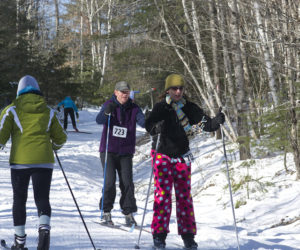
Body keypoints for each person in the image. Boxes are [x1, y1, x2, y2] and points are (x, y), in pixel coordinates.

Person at [145, 74, 225, 249]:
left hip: (182, 155)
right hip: (162, 155)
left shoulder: (189, 107)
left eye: (181, 88)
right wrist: (155, 128)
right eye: (174, 88)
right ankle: (159, 235)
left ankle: (188, 236)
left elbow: (207, 125)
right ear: (168, 90)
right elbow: (149, 125)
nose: (178, 91)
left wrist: (216, 122)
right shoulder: (160, 107)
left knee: (184, 198)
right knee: (163, 196)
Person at [0, 75, 67, 250]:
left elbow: (0, 137)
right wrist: (54, 146)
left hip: (20, 161)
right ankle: (44, 234)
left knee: (19, 199)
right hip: (44, 161)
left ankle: (19, 242)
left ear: (19, 91)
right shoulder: (48, 110)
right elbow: (61, 137)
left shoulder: (11, 110)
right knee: (42, 198)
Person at [96, 81, 145, 226]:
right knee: (109, 182)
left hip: (125, 151)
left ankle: (128, 214)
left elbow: (142, 121)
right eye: (122, 91)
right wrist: (106, 112)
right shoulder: (109, 104)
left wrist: (151, 123)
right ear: (116, 92)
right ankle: (106, 212)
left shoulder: (134, 107)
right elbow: (99, 120)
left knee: (127, 183)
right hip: (108, 150)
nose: (125, 94)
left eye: (127, 91)